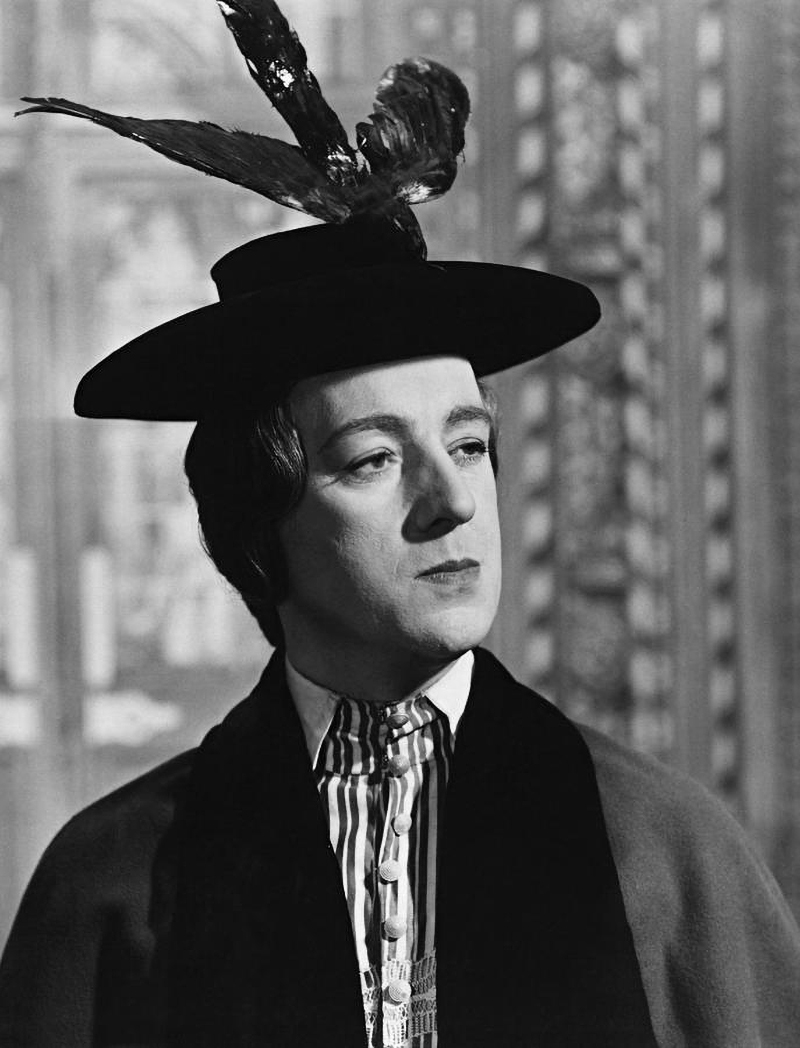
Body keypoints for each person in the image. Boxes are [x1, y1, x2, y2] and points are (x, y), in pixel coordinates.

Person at [2, 2, 799, 1046]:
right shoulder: (115, 881)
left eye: (466, 445)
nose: (452, 500)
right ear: (259, 523)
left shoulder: (661, 852)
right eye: (374, 459)